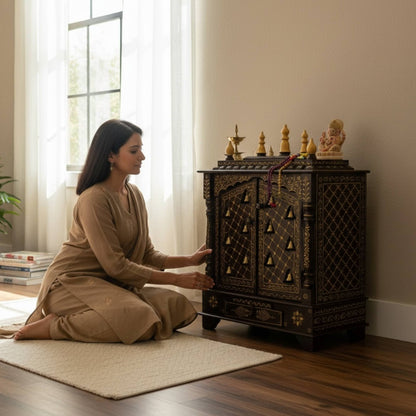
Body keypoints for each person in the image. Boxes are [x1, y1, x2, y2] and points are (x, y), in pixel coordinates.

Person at [13, 119, 214, 344]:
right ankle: (54, 325)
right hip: (71, 284)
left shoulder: (134, 195)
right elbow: (115, 265)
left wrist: (189, 260)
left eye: (141, 150)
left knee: (176, 305)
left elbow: (147, 253)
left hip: (112, 284)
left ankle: (117, 316)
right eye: (134, 150)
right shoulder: (94, 199)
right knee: (140, 316)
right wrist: (176, 280)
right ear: (111, 156)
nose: (142, 156)